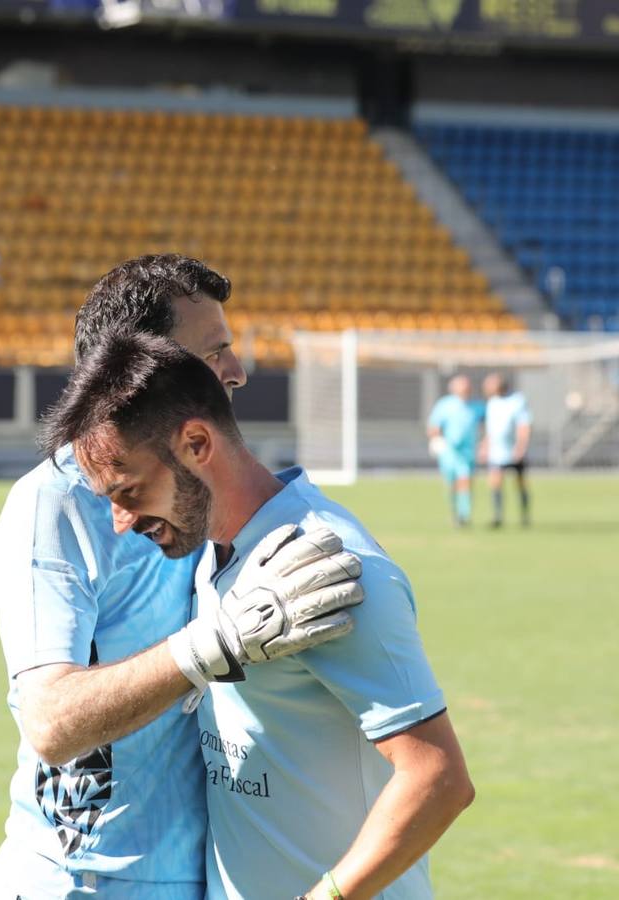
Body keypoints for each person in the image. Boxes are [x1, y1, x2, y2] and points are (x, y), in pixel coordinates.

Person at [0, 254, 366, 900]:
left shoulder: (206, 486)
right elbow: (49, 722)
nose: (237, 374)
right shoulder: (52, 506)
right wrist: (217, 643)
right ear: (144, 371)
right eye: (214, 354)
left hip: (195, 880)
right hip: (79, 884)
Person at [45, 331, 475, 899]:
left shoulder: (331, 565)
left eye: (129, 491)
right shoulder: (214, 551)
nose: (121, 520)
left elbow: (438, 778)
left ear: (197, 444)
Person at [426, 374, 485, 527]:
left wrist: (484, 443)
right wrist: (437, 440)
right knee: (451, 483)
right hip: (449, 452)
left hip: (467, 452)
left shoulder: (477, 406)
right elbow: (434, 426)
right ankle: (454, 513)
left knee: (465, 481)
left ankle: (464, 515)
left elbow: (487, 425)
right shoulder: (445, 405)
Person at [480, 372, 533, 528]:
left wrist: (521, 446)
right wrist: (484, 445)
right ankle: (498, 516)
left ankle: (524, 516)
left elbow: (524, 425)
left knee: (520, 483)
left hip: (514, 449)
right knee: (495, 482)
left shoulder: (517, 401)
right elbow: (492, 429)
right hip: (497, 452)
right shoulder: (492, 403)